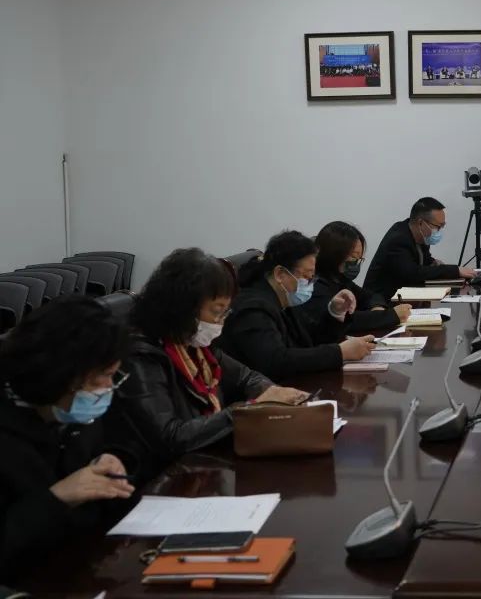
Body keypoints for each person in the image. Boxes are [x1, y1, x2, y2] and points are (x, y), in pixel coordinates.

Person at [112, 249, 308, 479]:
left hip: (207, 462)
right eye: (216, 312)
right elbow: (172, 437)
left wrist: (272, 393)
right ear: (183, 308)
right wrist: (247, 409)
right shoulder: (141, 357)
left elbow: (246, 377)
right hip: (166, 478)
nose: (220, 322)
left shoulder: (196, 344)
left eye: (225, 312)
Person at [0, 297, 135, 583]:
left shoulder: (72, 410)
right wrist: (58, 498)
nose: (109, 387)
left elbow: (113, 446)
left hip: (85, 564)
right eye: (104, 377)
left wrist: (111, 462)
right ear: (63, 376)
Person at [217, 230, 376, 381]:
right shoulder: (252, 309)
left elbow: (311, 340)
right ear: (280, 274)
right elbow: (275, 361)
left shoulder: (283, 298)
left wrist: (334, 312)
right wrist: (340, 353)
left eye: (312, 277)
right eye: (306, 276)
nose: (309, 283)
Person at [299, 221, 411, 343]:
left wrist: (377, 307)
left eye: (359, 259)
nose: (356, 263)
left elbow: (371, 296)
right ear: (334, 254)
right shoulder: (314, 283)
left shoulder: (339, 278)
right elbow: (347, 320)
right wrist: (390, 316)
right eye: (353, 257)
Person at [363, 197, 477, 301]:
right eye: (438, 227)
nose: (439, 231)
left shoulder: (421, 236)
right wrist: (454, 270)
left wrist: (435, 264)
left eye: (443, 226)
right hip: (379, 303)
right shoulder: (398, 239)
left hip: (405, 299)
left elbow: (425, 262)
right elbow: (413, 273)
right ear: (421, 223)